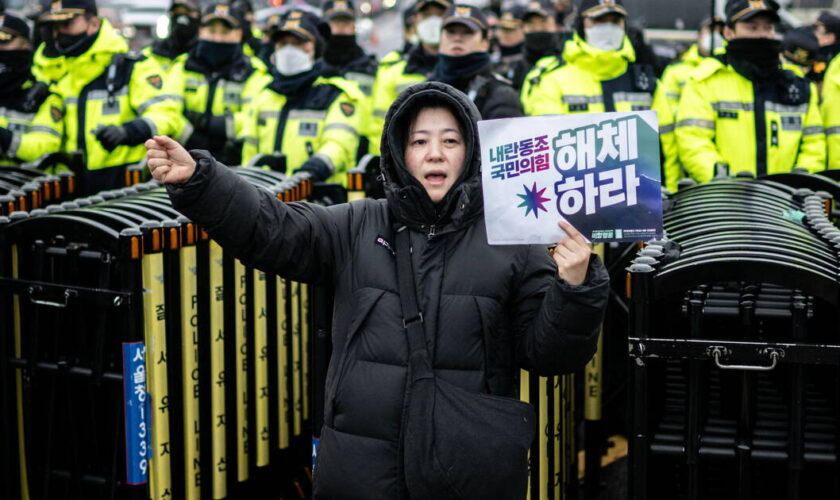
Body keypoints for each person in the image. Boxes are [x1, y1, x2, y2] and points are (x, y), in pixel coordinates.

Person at [147, 79, 608, 499]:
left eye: (451, 141)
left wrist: (575, 286)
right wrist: (202, 182)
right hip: (359, 469)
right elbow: (274, 228)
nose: (435, 154)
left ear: (470, 153)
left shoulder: (511, 240)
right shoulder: (357, 223)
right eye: (419, 141)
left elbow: (551, 356)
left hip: (464, 471)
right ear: (398, 153)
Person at [38, 0, 186, 194]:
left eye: (67, 24)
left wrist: (128, 132)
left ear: (94, 24)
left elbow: (167, 115)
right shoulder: (56, 69)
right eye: (55, 27)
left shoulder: (132, 66)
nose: (60, 34)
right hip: (69, 184)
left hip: (125, 185)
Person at [676, 0, 825, 181]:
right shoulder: (704, 83)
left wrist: (796, 183)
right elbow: (693, 142)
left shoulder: (798, 87)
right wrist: (728, 185)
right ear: (729, 33)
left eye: (768, 28)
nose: (762, 35)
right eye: (752, 28)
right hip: (725, 200)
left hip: (786, 201)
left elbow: (814, 145)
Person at [239, 11, 364, 182]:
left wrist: (316, 167)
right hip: (268, 195)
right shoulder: (265, 94)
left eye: (298, 43)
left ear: (316, 49)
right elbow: (250, 150)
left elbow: (340, 143)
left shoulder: (336, 94)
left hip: (319, 198)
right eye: (283, 43)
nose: (289, 49)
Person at [170, 1, 272, 166]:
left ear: (238, 34)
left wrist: (215, 125)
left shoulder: (254, 72)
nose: (217, 38)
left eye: (225, 32)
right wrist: (190, 137)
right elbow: (168, 109)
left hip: (233, 163)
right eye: (211, 31)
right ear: (200, 31)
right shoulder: (182, 66)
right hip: (184, 158)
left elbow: (253, 118)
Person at [521, 0, 656, 117]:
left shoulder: (646, 81)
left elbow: (665, 138)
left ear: (625, 26)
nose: (608, 27)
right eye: (599, 20)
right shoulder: (551, 79)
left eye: (615, 21)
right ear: (581, 26)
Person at [368, 0, 451, 155]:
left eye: (440, 15)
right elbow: (379, 127)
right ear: (415, 21)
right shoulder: (392, 71)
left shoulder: (467, 67)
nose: (433, 21)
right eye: (426, 15)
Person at [654, 16, 724, 191]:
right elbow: (667, 122)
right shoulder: (676, 72)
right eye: (710, 30)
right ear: (699, 35)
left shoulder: (731, 74)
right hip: (683, 165)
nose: (716, 35)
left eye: (720, 31)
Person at [432, 4, 522, 118]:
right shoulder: (426, 87)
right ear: (440, 39)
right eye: (450, 32)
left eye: (467, 32)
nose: (457, 38)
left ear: (485, 43)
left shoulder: (500, 94)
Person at [0, 12, 62, 166]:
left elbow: (46, 148)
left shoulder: (41, 96)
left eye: (4, 40)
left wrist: (5, 139)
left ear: (26, 44)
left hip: (22, 184)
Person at [320, 0, 378, 159]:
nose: (340, 29)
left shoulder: (371, 69)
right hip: (322, 154)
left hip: (364, 156)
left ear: (354, 26)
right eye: (335, 23)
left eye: (345, 23)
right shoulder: (312, 69)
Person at [142, 0, 201, 74]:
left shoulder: (205, 56)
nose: (182, 18)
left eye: (188, 12)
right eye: (178, 12)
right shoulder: (152, 53)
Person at [492, 5, 526, 88]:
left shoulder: (527, 62)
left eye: (511, 30)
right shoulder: (492, 58)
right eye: (502, 29)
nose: (505, 34)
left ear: (523, 30)